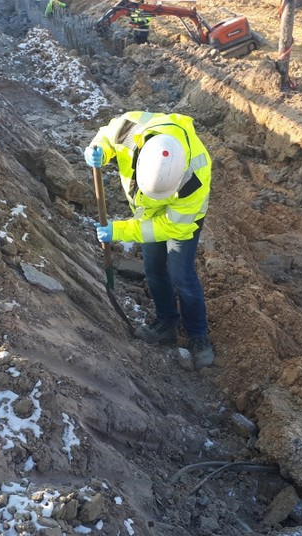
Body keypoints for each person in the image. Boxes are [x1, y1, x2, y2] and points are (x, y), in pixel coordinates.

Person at [84, 111, 214, 370]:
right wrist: (98, 150)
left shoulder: (195, 175)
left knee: (181, 276)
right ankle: (166, 322)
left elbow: (168, 227)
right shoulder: (132, 128)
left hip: (181, 222)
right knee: (153, 268)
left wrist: (118, 231)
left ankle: (198, 335)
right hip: (145, 211)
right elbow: (107, 136)